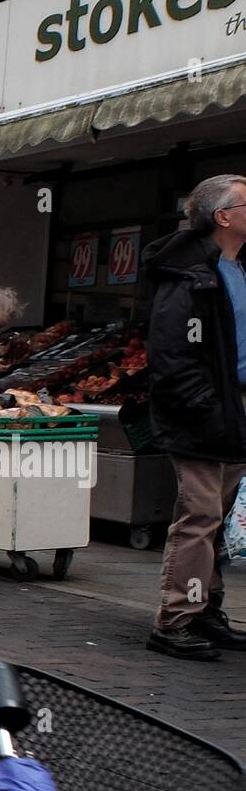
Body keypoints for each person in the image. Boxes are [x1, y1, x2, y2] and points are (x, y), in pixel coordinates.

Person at [145, 174, 246, 660]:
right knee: (199, 518)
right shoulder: (190, 278)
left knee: (218, 520)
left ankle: (205, 610)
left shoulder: (236, 268)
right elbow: (172, 357)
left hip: (234, 411)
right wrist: (207, 408)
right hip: (204, 417)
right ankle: (176, 620)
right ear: (223, 216)